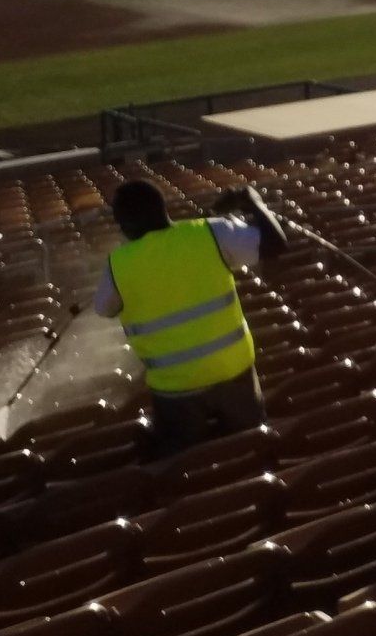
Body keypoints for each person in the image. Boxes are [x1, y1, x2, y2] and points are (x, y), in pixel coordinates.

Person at [93, 179, 286, 453]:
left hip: (175, 390)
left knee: (187, 463)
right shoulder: (212, 232)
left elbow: (104, 309)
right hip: (234, 373)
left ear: (124, 224)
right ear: (163, 209)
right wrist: (253, 202)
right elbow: (275, 243)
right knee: (251, 448)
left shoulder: (118, 264)